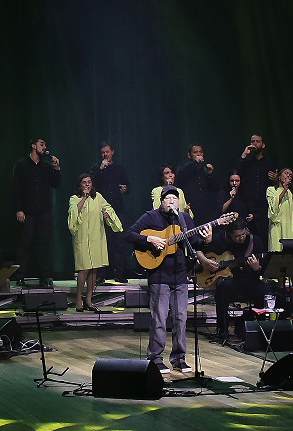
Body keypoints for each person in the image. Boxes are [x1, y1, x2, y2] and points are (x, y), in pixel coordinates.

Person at [124, 186, 197, 374]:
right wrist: (150, 239)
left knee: (181, 318)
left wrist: (206, 238)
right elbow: (129, 234)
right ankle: (155, 358)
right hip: (159, 275)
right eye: (168, 198)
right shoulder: (150, 217)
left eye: (175, 198)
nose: (171, 201)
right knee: (159, 318)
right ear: (161, 201)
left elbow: (194, 241)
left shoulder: (184, 218)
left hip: (180, 275)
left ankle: (179, 358)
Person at [195, 218, 270, 338]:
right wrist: (205, 261)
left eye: (243, 234)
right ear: (230, 235)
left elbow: (261, 271)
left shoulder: (254, 241)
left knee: (265, 290)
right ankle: (222, 328)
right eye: (237, 236)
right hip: (231, 281)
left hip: (250, 280)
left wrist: (256, 268)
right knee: (222, 286)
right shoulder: (221, 239)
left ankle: (257, 327)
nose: (241, 238)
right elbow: (198, 250)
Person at [68, 173, 124, 312]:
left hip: (96, 237)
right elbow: (73, 213)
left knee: (94, 270)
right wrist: (84, 198)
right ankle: (79, 299)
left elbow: (108, 209)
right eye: (84, 182)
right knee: (84, 269)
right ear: (79, 185)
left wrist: (107, 215)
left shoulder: (98, 197)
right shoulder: (74, 198)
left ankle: (89, 299)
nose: (87, 184)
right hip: (82, 239)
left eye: (89, 182)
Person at [12, 137, 62, 286]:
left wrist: (57, 169)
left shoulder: (46, 166)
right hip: (27, 211)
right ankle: (20, 275)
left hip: (44, 211)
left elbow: (56, 183)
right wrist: (19, 209)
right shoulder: (21, 165)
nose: (44, 147)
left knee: (44, 244)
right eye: (41, 144)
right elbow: (16, 189)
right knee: (25, 244)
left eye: (45, 145)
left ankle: (45, 276)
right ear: (33, 146)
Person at [89, 142, 130, 283]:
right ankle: (101, 274)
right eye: (102, 153)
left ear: (112, 152)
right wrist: (101, 169)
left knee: (119, 241)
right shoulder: (96, 168)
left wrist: (125, 189)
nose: (105, 155)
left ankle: (120, 273)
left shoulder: (119, 168)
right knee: (102, 242)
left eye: (107, 152)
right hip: (101, 209)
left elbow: (127, 186)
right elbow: (92, 185)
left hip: (117, 209)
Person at [236, 134, 276, 238]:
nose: (254, 144)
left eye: (257, 141)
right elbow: (237, 172)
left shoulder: (269, 163)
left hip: (264, 205)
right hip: (250, 205)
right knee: (250, 236)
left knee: (265, 235)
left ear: (263, 145)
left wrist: (276, 179)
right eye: (252, 141)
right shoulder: (247, 163)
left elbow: (275, 185)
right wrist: (244, 154)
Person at [267, 168, 293, 252]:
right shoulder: (271, 190)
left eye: (290, 175)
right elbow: (273, 207)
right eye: (286, 173)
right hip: (278, 228)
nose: (288, 175)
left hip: (292, 230)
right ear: (279, 176)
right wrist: (284, 190)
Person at [176, 144, 216, 225]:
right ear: (189, 155)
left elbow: (215, 188)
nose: (198, 154)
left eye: (200, 152)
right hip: (190, 208)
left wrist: (210, 174)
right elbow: (180, 175)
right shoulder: (184, 167)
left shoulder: (205, 169)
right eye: (195, 152)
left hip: (205, 210)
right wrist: (195, 163)